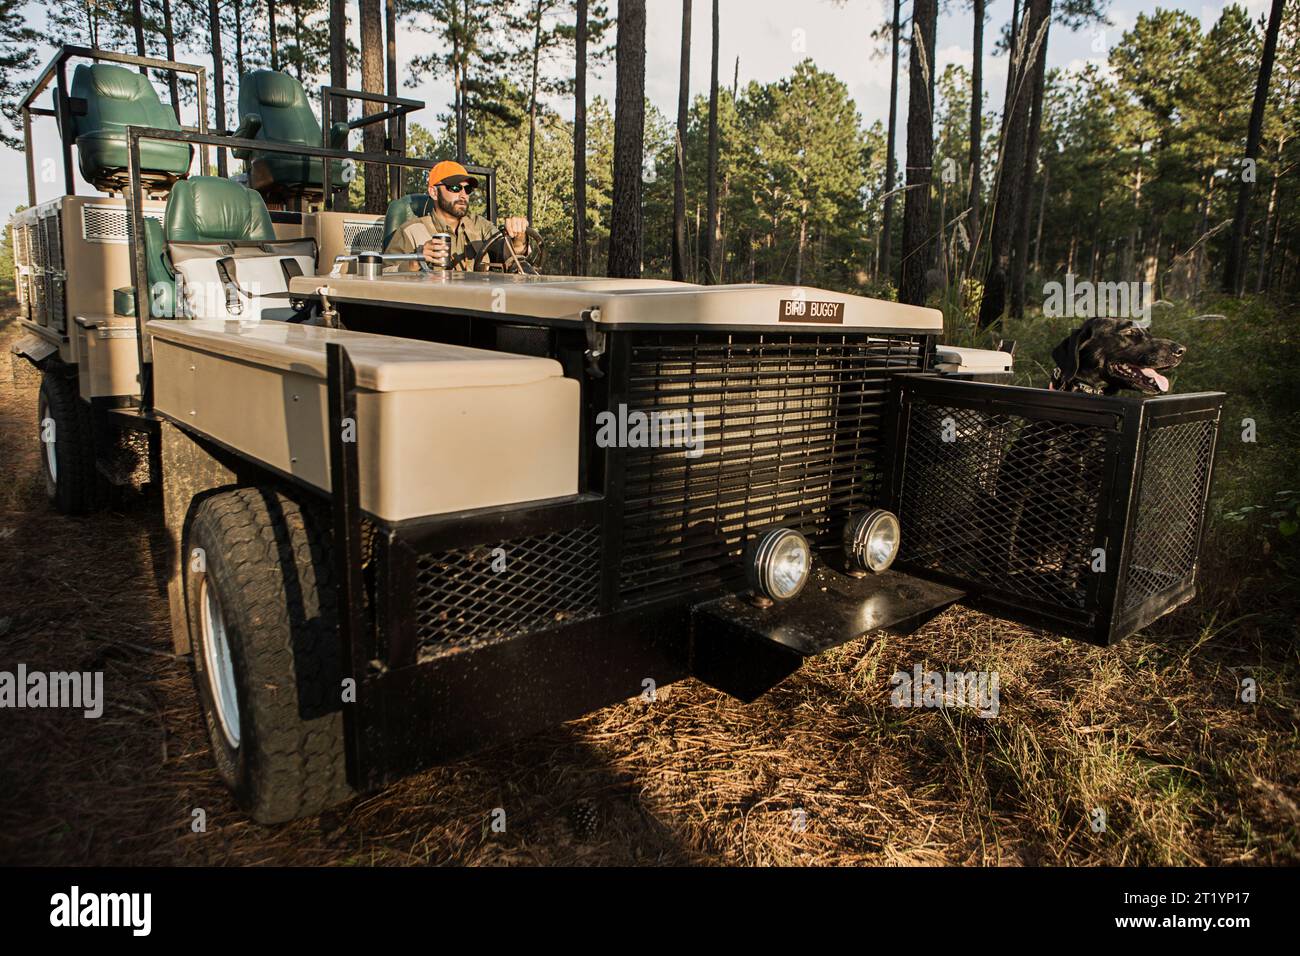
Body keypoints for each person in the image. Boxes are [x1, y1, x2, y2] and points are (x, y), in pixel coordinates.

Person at [384, 160, 531, 271]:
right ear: (433, 192)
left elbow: (509, 254)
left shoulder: (480, 226)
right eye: (454, 188)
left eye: (467, 189)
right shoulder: (411, 231)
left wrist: (518, 237)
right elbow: (384, 274)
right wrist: (415, 261)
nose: (463, 195)